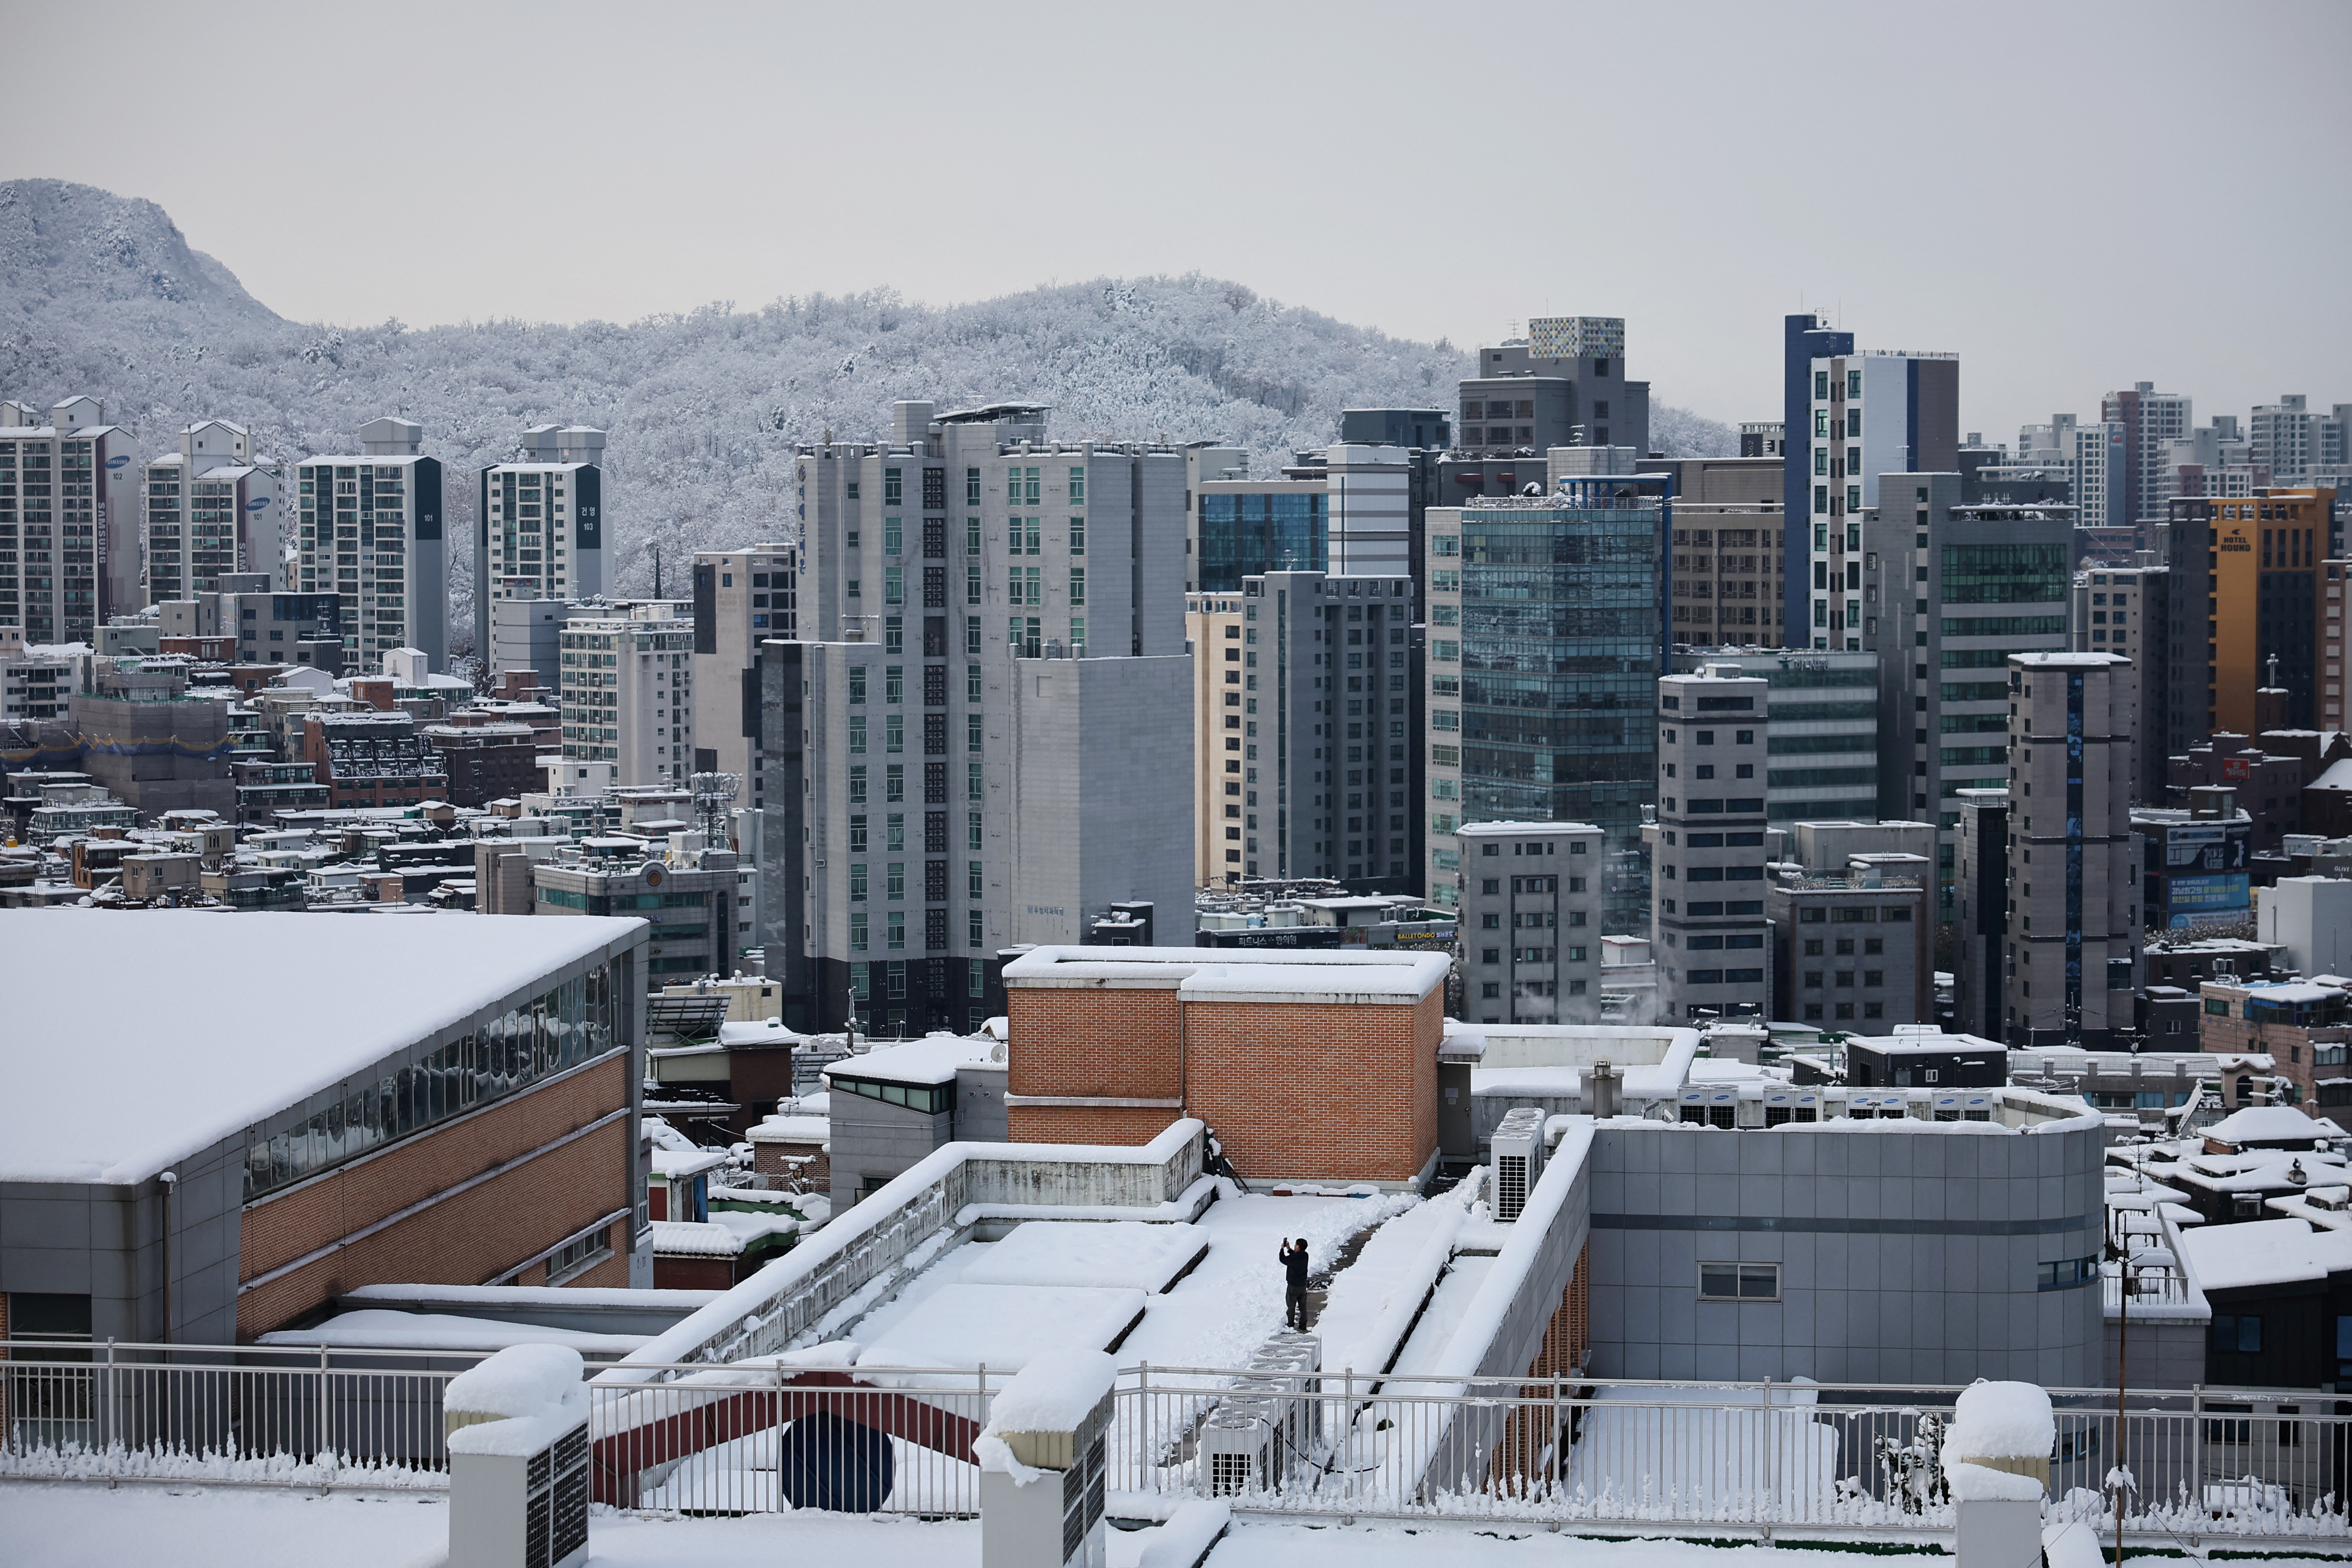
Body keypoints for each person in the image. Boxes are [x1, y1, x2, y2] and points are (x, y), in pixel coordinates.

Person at [1279, 1237, 1310, 1330]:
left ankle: (1291, 1324)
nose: (1294, 1246)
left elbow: (1284, 1260)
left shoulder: (1295, 1257)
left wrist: (1282, 1249)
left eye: (1295, 1245)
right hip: (1302, 1285)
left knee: (1291, 1305)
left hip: (1293, 1286)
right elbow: (1295, 1257)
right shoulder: (1305, 1255)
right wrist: (1289, 1249)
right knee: (1303, 1306)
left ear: (1298, 1246)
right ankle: (1303, 1324)